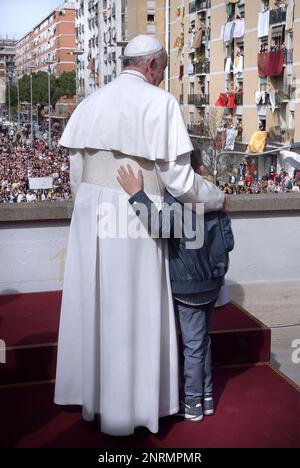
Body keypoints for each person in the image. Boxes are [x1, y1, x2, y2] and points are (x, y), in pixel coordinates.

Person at [54, 35, 227, 436]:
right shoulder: (160, 103)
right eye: (163, 69)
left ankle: (98, 403)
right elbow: (181, 183)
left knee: (100, 309)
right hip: (135, 216)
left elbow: (76, 176)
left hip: (92, 214)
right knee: (133, 312)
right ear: (151, 65)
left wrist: (90, 212)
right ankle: (134, 407)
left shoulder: (90, 102)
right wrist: (217, 197)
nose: (162, 77)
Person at [116, 163, 233, 421]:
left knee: (193, 345)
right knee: (202, 341)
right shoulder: (214, 195)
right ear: (200, 167)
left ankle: (192, 404)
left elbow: (159, 226)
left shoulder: (176, 197)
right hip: (212, 281)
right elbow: (229, 242)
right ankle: (207, 396)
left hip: (186, 285)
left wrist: (137, 194)